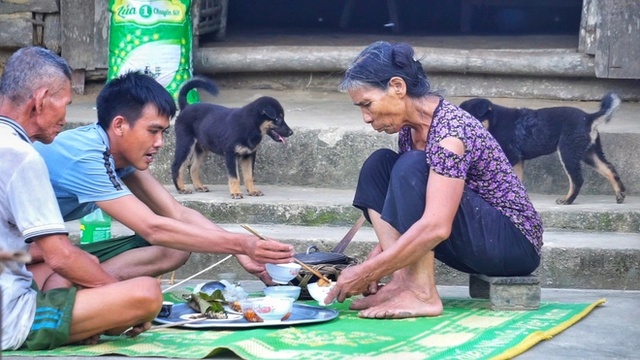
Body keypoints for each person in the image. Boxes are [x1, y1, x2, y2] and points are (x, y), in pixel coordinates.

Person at [325, 41, 543, 319]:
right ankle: (404, 283)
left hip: (511, 245)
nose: (366, 117)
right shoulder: (411, 130)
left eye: (367, 104)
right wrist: (380, 258)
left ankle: (423, 294)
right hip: (469, 240)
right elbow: (410, 206)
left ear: (397, 87)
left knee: (412, 165)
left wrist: (371, 270)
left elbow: (437, 226)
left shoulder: (450, 133)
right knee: (379, 165)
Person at [30, 70, 294, 291]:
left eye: (163, 132)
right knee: (92, 266)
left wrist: (240, 252)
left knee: (173, 248)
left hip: (38, 250)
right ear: (119, 125)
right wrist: (242, 243)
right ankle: (87, 292)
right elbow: (153, 228)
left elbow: (175, 211)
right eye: (153, 131)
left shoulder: (121, 154)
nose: (159, 143)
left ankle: (81, 287)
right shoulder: (86, 155)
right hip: (15, 254)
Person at [0, 46, 162, 351]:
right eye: (66, 103)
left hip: (11, 272)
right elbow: (59, 255)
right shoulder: (21, 156)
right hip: (10, 320)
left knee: (81, 265)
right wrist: (118, 304)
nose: (66, 116)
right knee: (146, 293)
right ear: (41, 99)